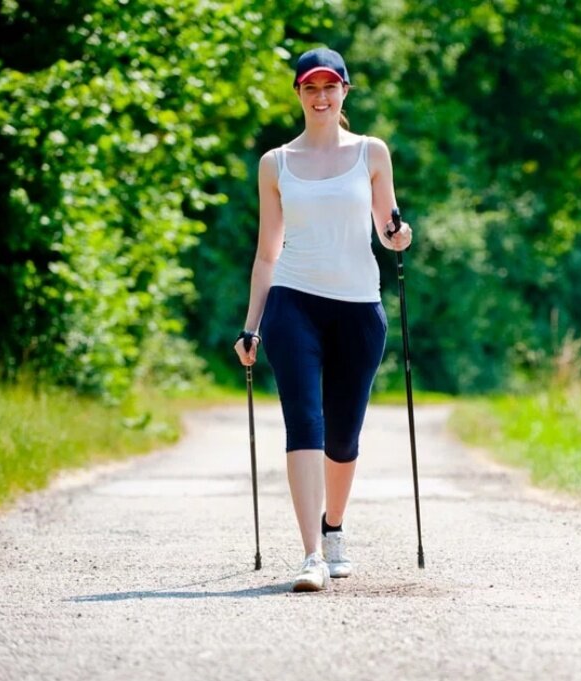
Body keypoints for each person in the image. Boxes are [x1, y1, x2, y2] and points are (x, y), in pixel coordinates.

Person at [233, 47, 412, 592]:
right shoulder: (276, 163)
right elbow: (267, 252)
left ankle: (334, 527)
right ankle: (311, 554)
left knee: (343, 435)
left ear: (344, 92)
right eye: (310, 87)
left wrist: (400, 236)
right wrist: (251, 325)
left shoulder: (371, 153)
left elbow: (388, 227)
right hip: (293, 304)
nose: (320, 97)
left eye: (330, 87)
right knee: (304, 423)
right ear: (298, 94)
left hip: (358, 307)